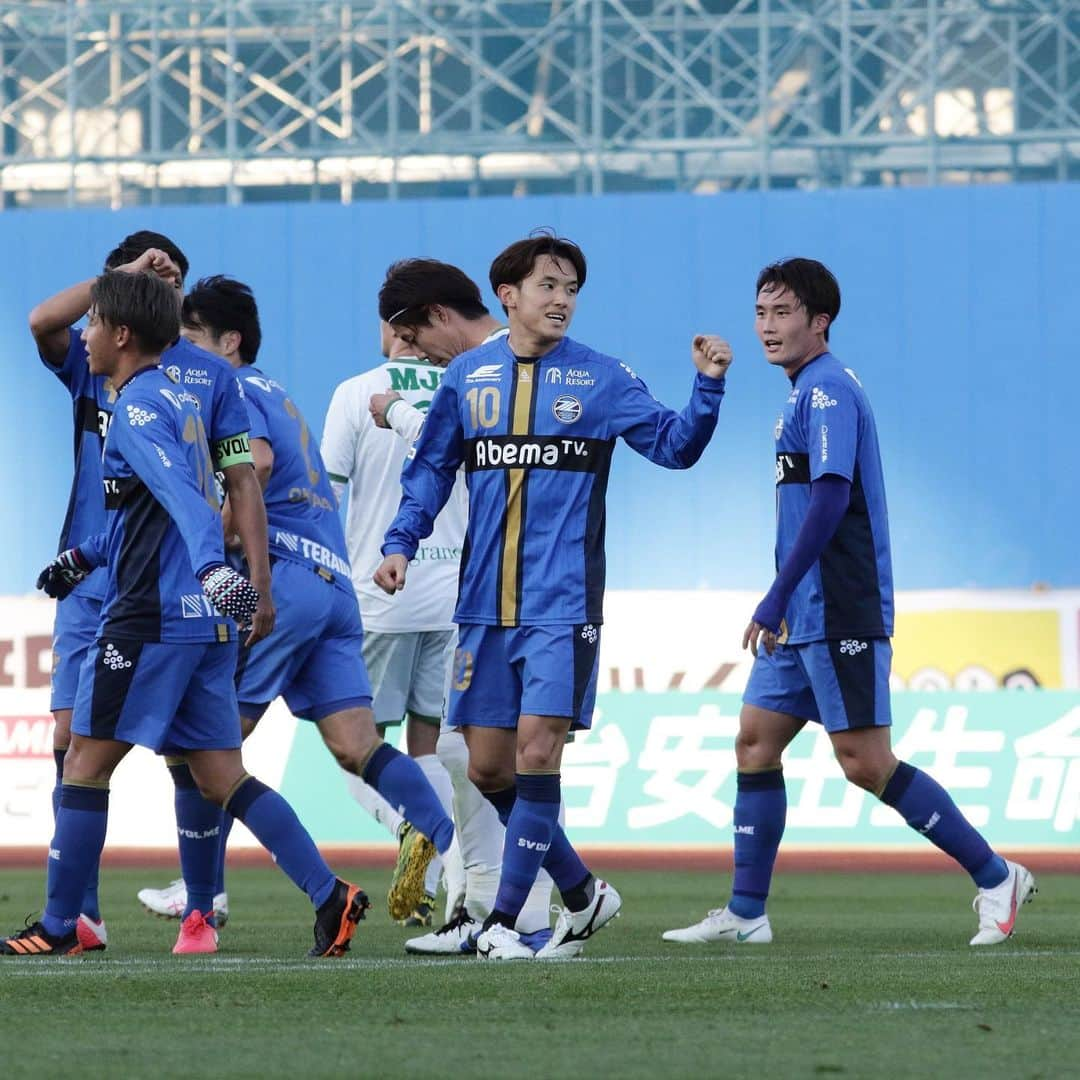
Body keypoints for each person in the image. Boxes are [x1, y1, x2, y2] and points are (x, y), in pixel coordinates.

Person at [374, 233, 732, 960]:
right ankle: (582, 892)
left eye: (571, 288)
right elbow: (430, 470)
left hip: (562, 606)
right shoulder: (468, 378)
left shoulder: (600, 379)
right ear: (508, 295)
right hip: (482, 606)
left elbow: (674, 445)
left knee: (539, 755)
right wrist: (399, 545)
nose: (562, 299)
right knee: (487, 768)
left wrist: (709, 387)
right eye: (548, 285)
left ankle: (505, 924)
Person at [662, 257, 1035, 949]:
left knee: (864, 762)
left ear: (819, 321)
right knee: (754, 742)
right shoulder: (803, 392)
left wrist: (774, 596)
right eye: (761, 312)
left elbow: (832, 497)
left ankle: (994, 876)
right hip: (803, 614)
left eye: (783, 313)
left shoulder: (828, 391)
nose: (768, 327)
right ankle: (747, 914)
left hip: (836, 606)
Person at [1, 270, 364, 958]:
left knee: (81, 762)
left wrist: (212, 569)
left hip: (150, 620)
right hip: (203, 628)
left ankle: (59, 928)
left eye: (95, 326)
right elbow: (168, 504)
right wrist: (82, 559)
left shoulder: (135, 410)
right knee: (223, 775)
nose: (86, 337)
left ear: (122, 335)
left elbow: (190, 506)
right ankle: (330, 894)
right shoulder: (182, 399)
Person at [134, 276, 456, 948]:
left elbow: (249, 468)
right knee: (356, 745)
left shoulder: (237, 392)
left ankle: (205, 897)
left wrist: (218, 545)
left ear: (229, 342)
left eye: (191, 342)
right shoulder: (276, 390)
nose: (179, 358)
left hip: (281, 580)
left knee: (208, 751)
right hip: (332, 584)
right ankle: (457, 860)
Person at [27, 230, 273, 950]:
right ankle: (83, 915)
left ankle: (193, 905)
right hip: (97, 577)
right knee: (74, 742)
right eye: (148, 279)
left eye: (172, 282)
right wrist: (120, 277)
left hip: (162, 593)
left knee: (171, 758)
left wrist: (244, 580)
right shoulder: (93, 360)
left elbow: (235, 481)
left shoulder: (199, 379)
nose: (161, 286)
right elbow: (44, 322)